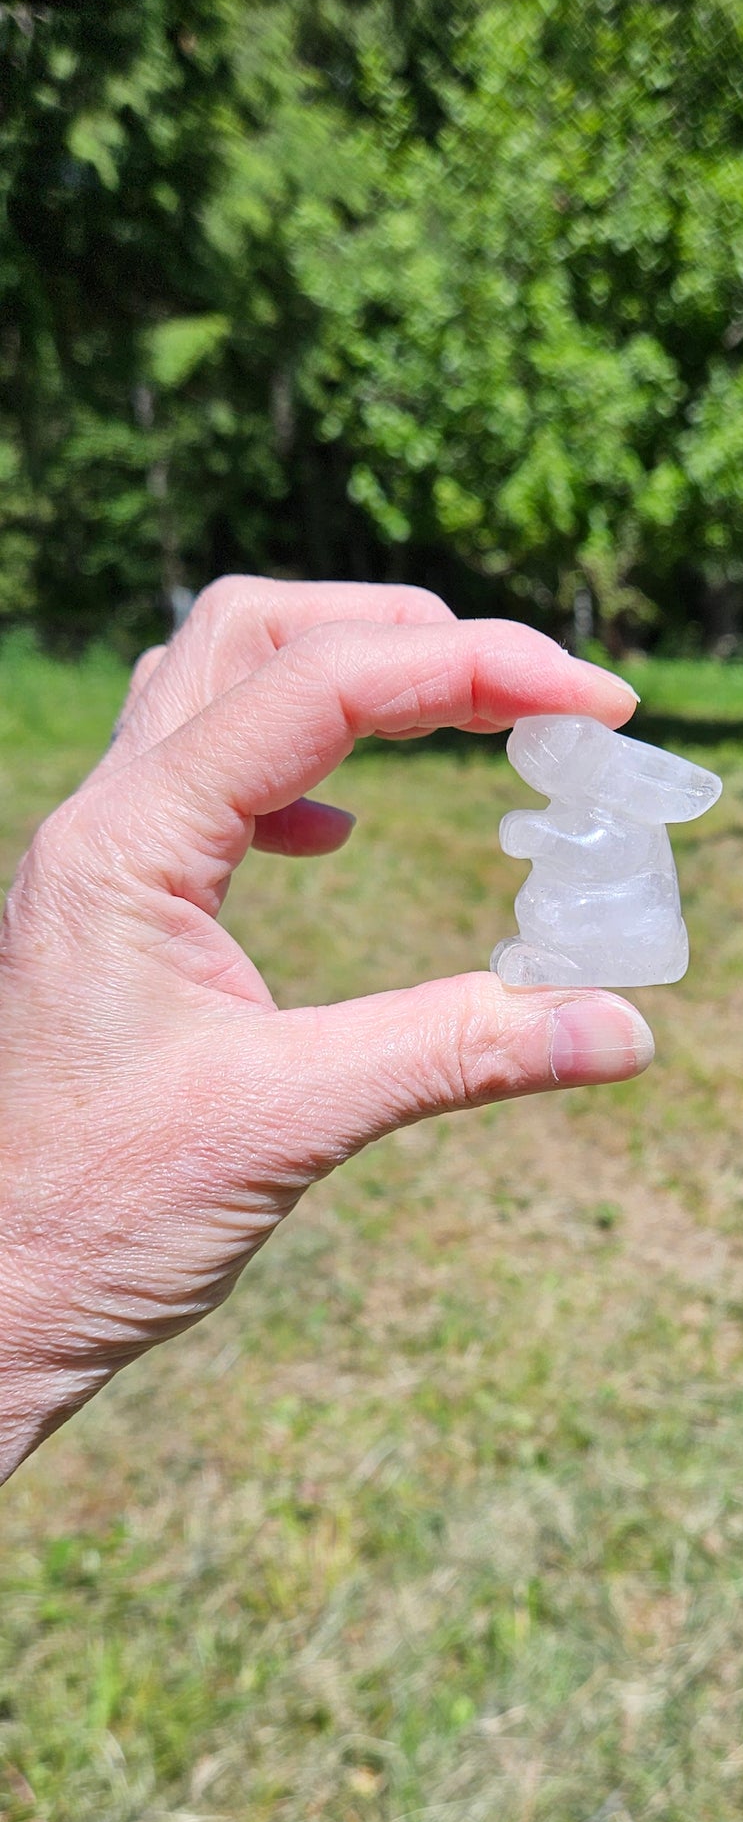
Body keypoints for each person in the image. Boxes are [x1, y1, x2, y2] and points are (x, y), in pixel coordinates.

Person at [0, 577, 655, 1479]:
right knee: (549, 910)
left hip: (614, 919)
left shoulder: (616, 820)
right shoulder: (588, 808)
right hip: (583, 909)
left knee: (563, 910)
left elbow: (585, 848)